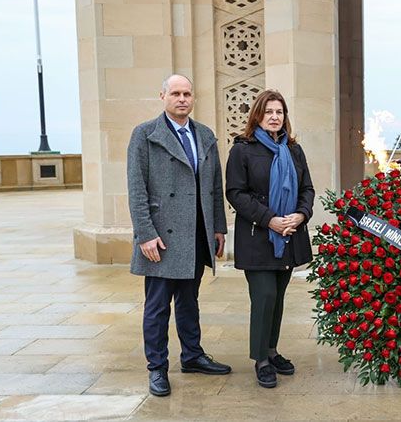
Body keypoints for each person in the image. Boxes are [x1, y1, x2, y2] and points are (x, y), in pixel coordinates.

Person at [127, 74, 232, 397]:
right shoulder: (145, 135)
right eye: (175, 93)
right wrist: (145, 234)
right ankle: (157, 368)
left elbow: (214, 187)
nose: (182, 98)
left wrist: (217, 228)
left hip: (196, 234)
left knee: (189, 301)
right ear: (163, 96)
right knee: (157, 307)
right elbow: (136, 189)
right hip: (161, 238)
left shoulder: (205, 134)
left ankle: (193, 355)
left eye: (187, 93)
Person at [225, 89, 315, 388]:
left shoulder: (294, 150)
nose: (275, 117)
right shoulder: (242, 150)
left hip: (289, 235)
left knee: (277, 298)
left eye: (279, 112)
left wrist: (301, 215)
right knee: (263, 296)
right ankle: (260, 359)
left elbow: (307, 189)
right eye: (269, 112)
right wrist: (270, 220)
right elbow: (236, 194)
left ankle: (272, 350)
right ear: (257, 116)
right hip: (259, 236)